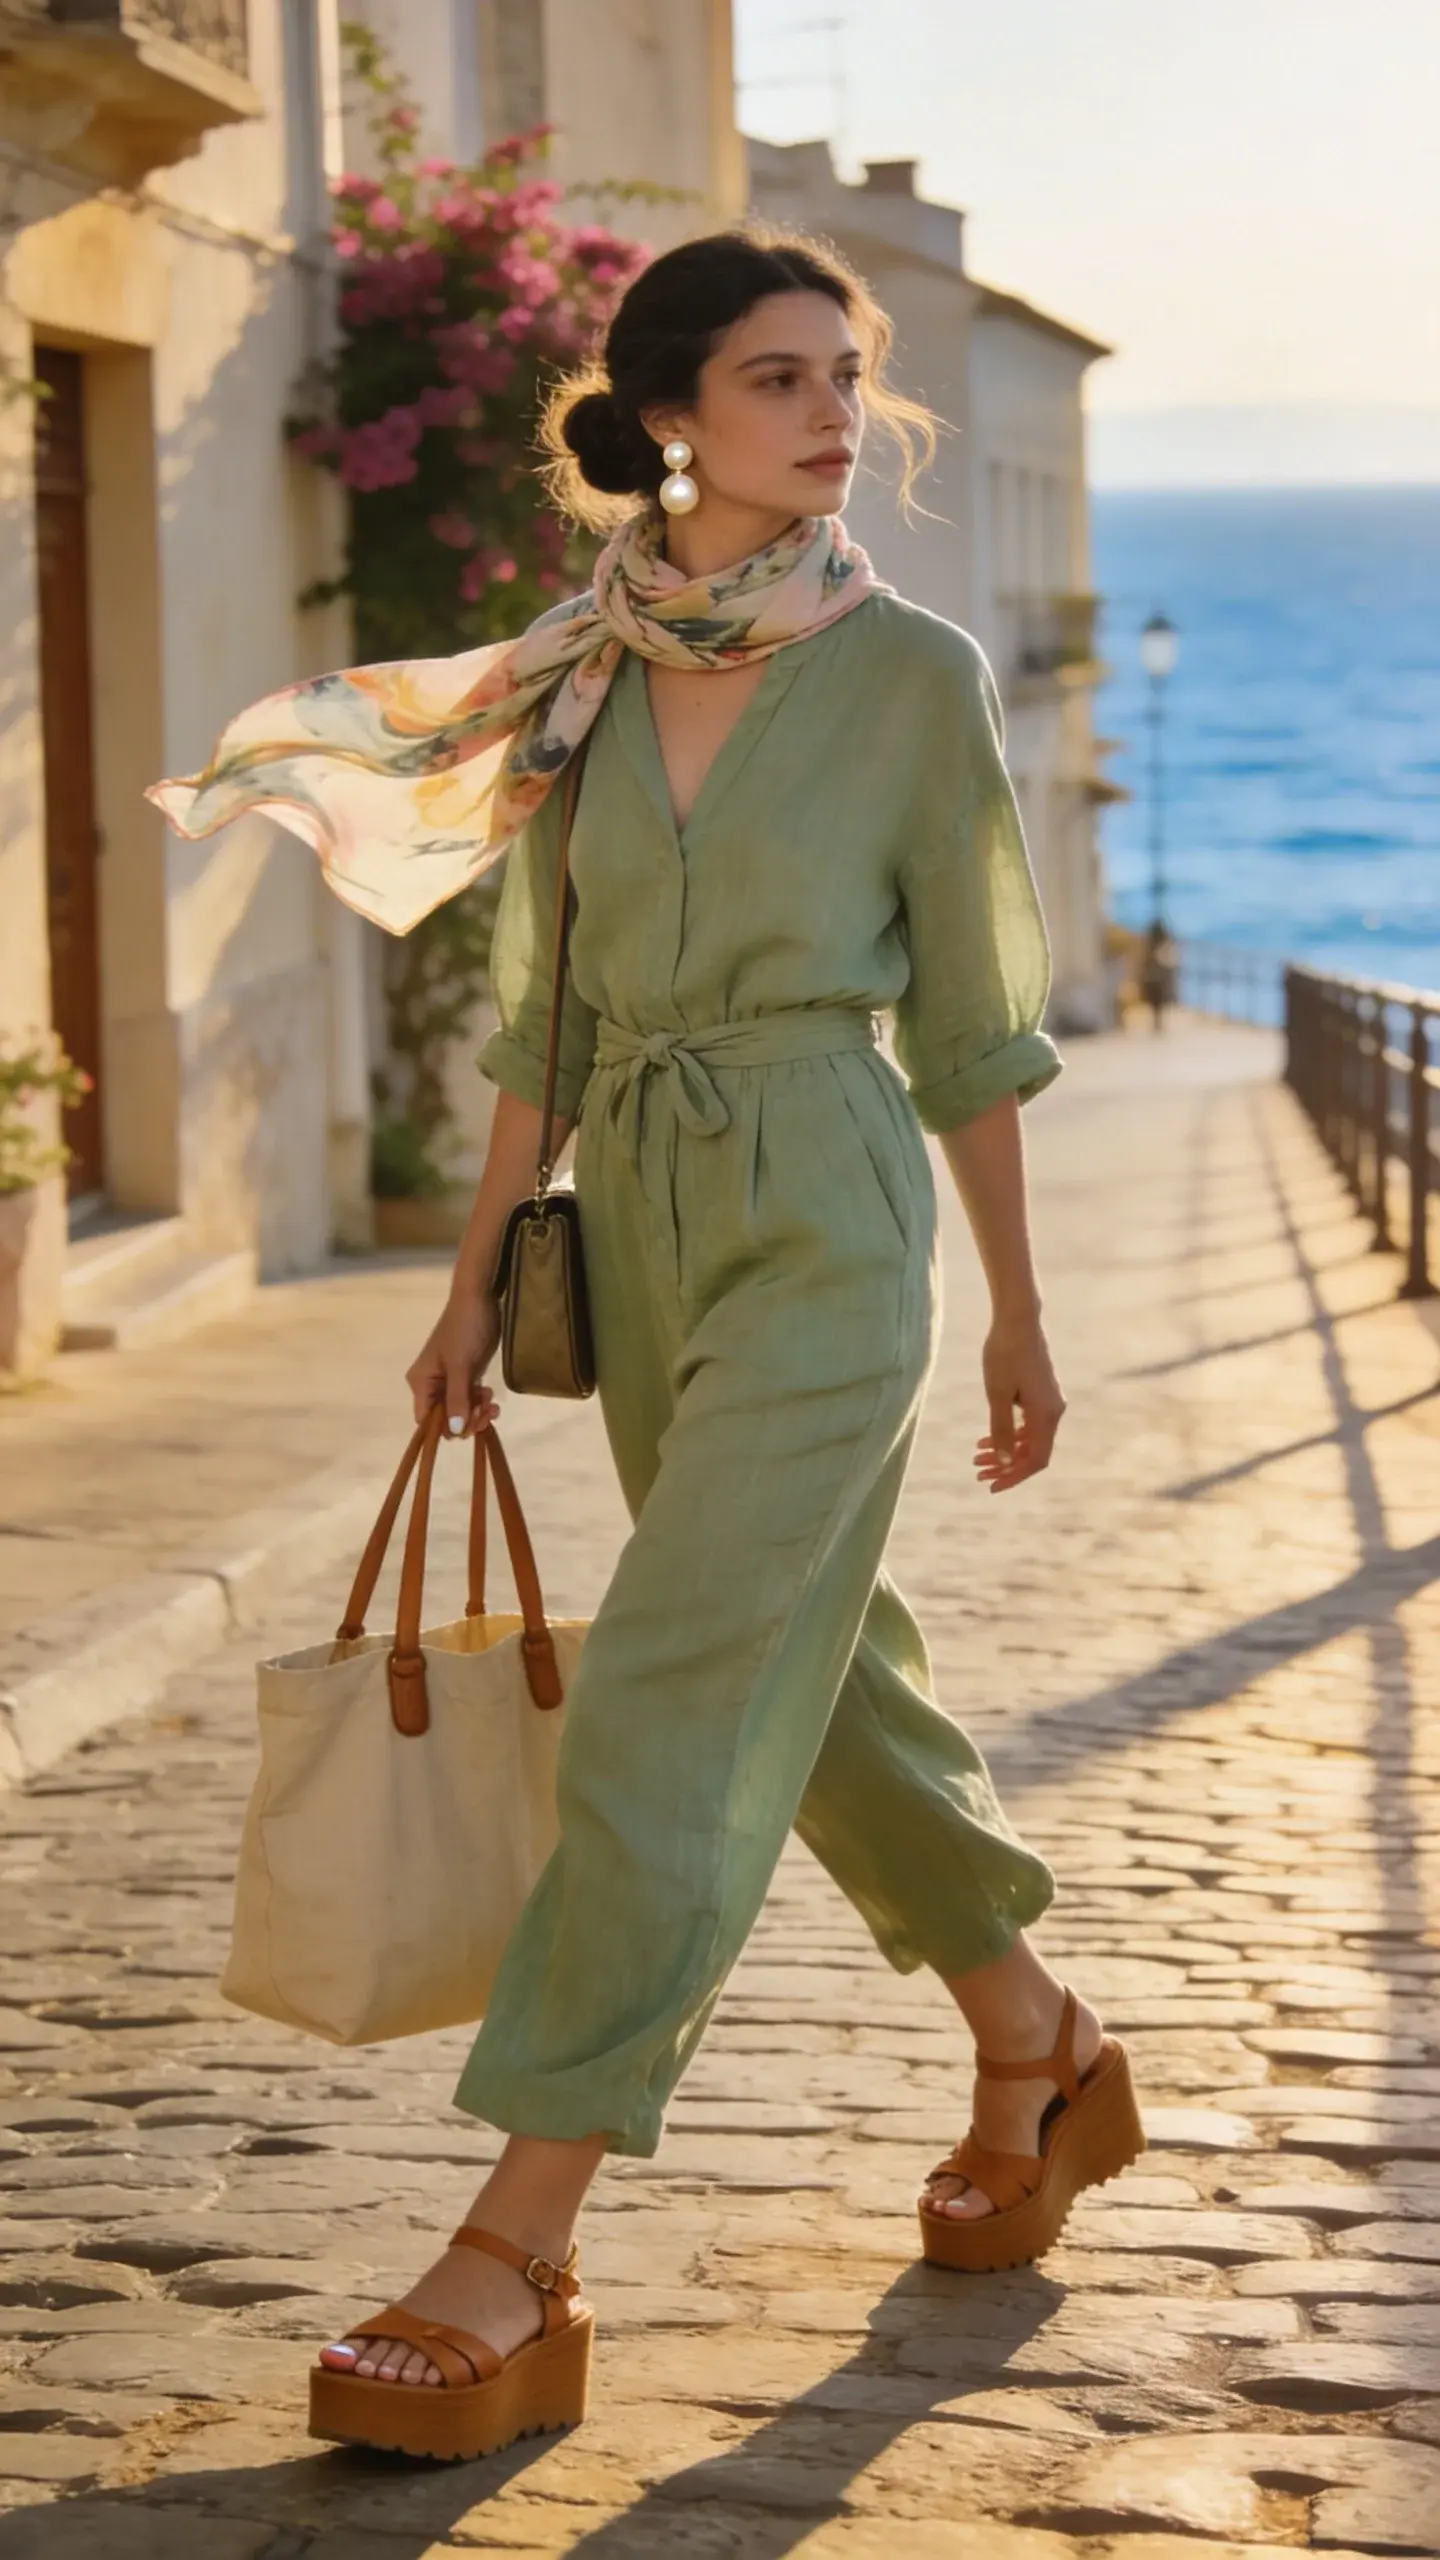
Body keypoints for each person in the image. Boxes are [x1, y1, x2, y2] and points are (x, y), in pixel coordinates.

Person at [151, 227, 1144, 2466]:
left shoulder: (911, 677)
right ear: (671, 411)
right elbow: (549, 1019)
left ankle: (520, 2237)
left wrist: (1018, 1308)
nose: (828, 415)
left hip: (832, 1208)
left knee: (675, 1694)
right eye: (778, 376)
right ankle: (1039, 2037)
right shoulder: (585, 667)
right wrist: (461, 1286)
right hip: (651, 1231)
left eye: (846, 375)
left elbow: (978, 1022)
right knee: (818, 1679)